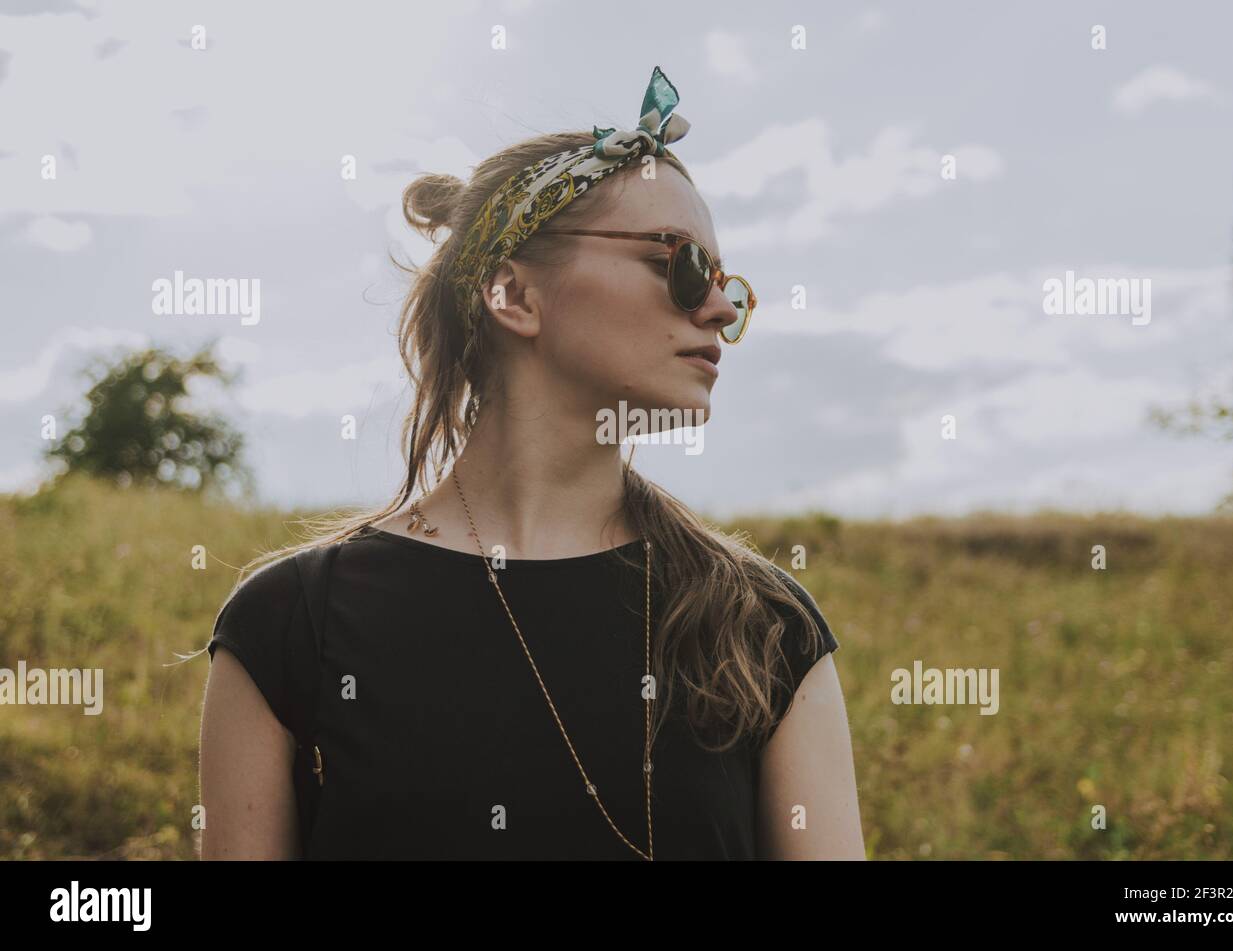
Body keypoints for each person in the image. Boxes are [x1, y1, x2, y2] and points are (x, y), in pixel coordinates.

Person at [198, 66, 863, 860]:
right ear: (511, 293)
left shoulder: (762, 628)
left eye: (727, 287)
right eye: (680, 265)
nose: (718, 308)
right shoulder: (289, 628)